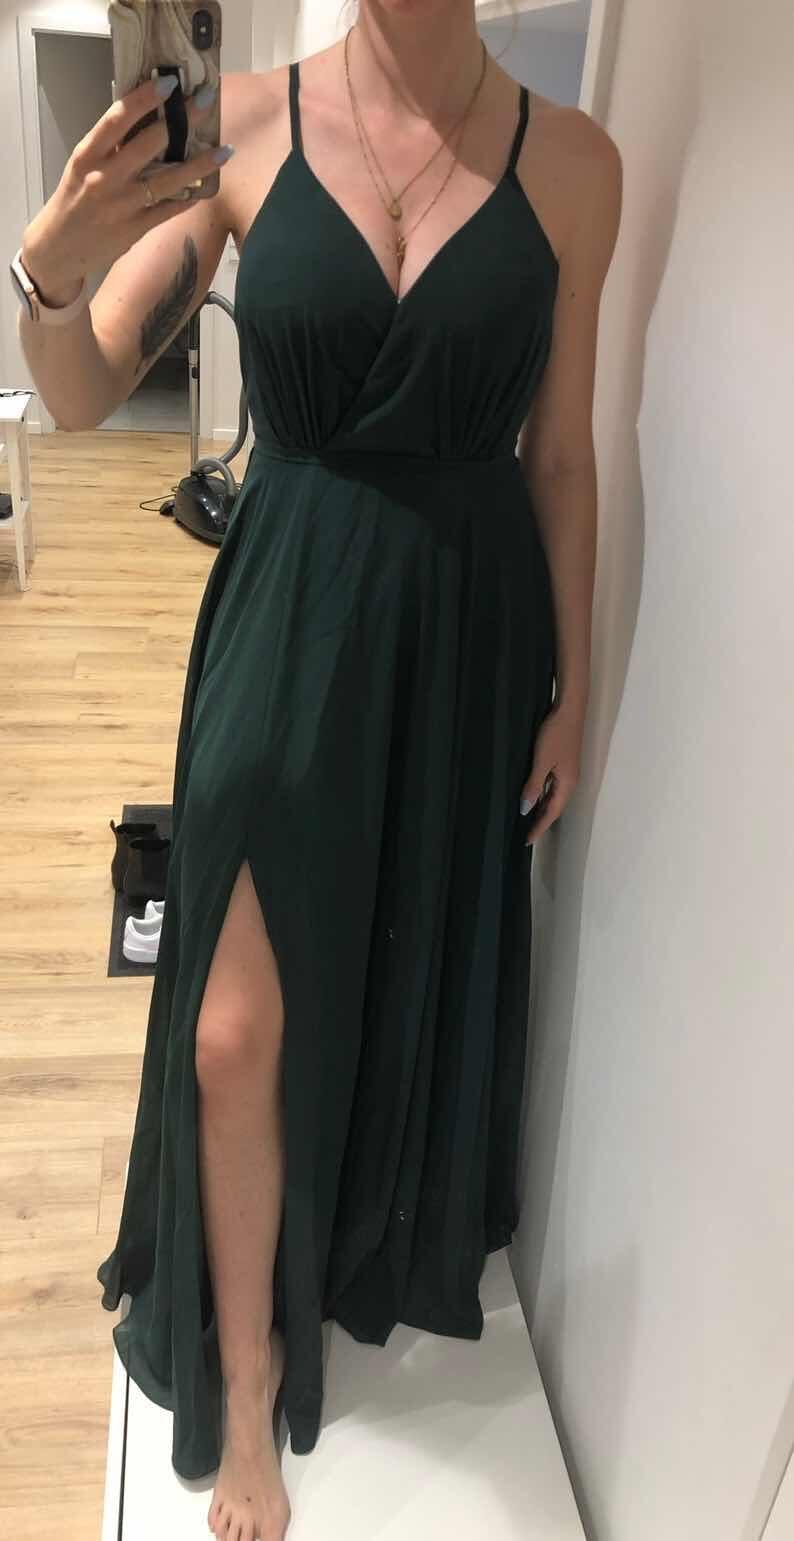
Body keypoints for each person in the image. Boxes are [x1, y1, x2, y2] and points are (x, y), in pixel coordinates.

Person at [16, 3, 621, 1538]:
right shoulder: (238, 130)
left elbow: (560, 455)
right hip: (287, 614)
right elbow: (79, 391)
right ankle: (247, 1370)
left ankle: (350, 1233)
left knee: (393, 954)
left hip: (465, 633)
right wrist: (49, 268)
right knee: (232, 1033)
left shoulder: (575, 165)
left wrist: (574, 688)